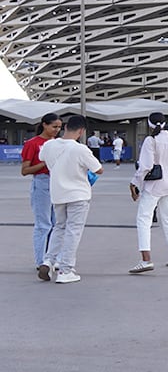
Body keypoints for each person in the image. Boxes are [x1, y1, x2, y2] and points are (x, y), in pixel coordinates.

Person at [39, 115, 103, 284]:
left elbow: (42, 158)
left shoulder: (49, 145)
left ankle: (48, 261)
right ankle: (66, 270)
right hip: (78, 195)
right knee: (73, 230)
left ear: (65, 127)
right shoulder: (80, 149)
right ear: (81, 131)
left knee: (59, 227)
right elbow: (98, 169)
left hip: (58, 194)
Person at [128, 112, 168, 273]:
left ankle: (146, 259)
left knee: (143, 220)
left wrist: (135, 183)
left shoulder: (150, 140)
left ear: (149, 124)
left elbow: (145, 166)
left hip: (154, 186)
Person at [21, 113, 61, 277]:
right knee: (43, 224)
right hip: (42, 182)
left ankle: (53, 258)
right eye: (54, 126)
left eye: (59, 127)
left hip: (57, 182)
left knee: (57, 223)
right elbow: (25, 170)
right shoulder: (33, 144)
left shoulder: (58, 143)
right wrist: (45, 162)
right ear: (44, 125)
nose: (56, 130)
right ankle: (40, 260)